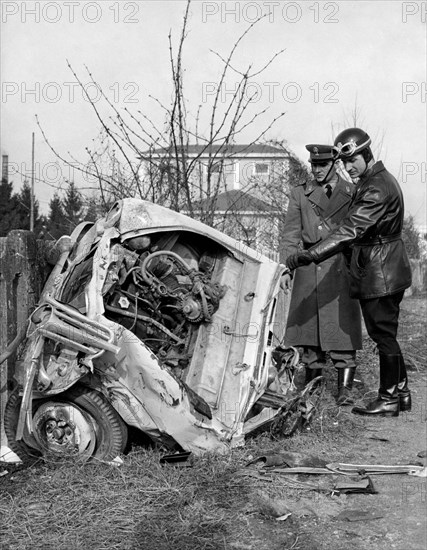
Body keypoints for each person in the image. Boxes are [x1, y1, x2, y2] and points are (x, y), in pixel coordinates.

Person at [286, 128, 412, 417]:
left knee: (383, 336)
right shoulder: (375, 180)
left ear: (366, 154)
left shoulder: (376, 186)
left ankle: (389, 397)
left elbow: (350, 230)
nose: (349, 167)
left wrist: (310, 254)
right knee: (386, 333)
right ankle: (402, 393)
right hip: (384, 267)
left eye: (353, 160)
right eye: (345, 163)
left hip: (381, 270)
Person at [281, 144, 362, 406]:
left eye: (322, 165)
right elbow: (291, 235)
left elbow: (359, 232)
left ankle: (344, 391)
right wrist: (287, 267)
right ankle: (312, 388)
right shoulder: (299, 194)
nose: (316, 170)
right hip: (308, 267)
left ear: (334, 164)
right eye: (313, 165)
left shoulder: (351, 193)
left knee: (342, 331)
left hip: (340, 268)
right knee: (309, 335)